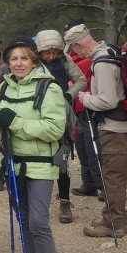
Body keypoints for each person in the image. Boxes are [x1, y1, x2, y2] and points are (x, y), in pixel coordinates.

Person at [0, 37, 67, 253]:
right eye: (13, 59)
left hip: (41, 165)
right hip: (12, 163)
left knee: (38, 221)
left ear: (34, 60)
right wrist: (0, 115)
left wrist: (15, 122)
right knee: (22, 218)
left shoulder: (49, 87)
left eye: (23, 58)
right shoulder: (6, 86)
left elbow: (54, 129)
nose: (18, 63)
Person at [64, 21, 127, 238]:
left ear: (78, 45)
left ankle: (112, 223)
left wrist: (85, 98)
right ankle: (120, 220)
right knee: (115, 173)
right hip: (122, 124)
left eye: (73, 49)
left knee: (112, 176)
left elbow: (107, 101)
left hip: (115, 127)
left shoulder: (102, 62)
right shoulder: (109, 52)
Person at [33, 29, 86, 224]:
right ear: (39, 51)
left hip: (61, 114)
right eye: (47, 53)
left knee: (61, 159)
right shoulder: (33, 61)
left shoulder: (65, 60)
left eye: (55, 52)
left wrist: (69, 95)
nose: (51, 56)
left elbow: (81, 79)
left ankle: (64, 202)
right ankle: (37, 205)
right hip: (37, 115)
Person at [68, 42, 103, 198]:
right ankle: (89, 184)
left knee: (92, 148)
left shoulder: (88, 60)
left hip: (89, 108)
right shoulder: (70, 58)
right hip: (78, 110)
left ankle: (103, 187)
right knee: (82, 147)